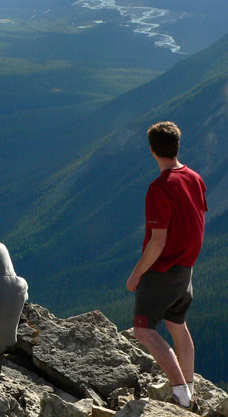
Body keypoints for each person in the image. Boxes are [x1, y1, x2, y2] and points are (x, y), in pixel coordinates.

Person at [126, 121, 208, 411]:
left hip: (162, 270)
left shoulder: (160, 188)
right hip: (186, 268)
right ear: (177, 146)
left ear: (152, 151)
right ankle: (190, 388)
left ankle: (182, 396)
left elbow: (157, 241)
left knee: (143, 330)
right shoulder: (194, 178)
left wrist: (137, 273)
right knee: (177, 324)